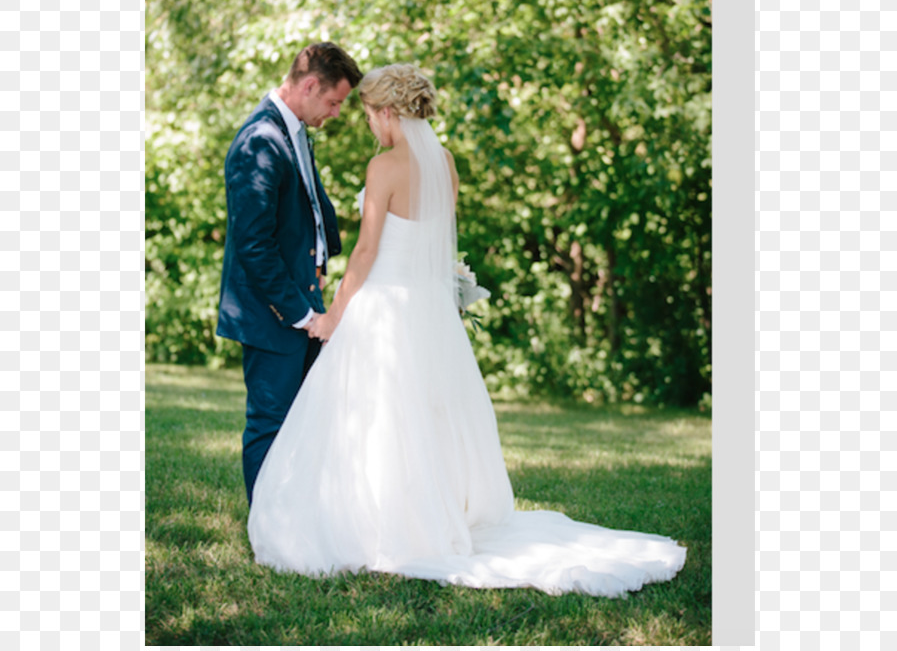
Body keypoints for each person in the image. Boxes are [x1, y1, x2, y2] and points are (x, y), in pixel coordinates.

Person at [247, 64, 687, 596]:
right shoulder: (445, 164)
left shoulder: (383, 166)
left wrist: (335, 314)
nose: (367, 125)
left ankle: (379, 523)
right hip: (428, 310)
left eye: (367, 114)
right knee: (425, 418)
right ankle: (429, 514)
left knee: (377, 417)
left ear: (386, 112)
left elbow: (365, 253)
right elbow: (439, 242)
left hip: (384, 308)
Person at [216, 42, 363, 505]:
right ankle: (266, 528)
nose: (336, 113)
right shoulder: (260, 139)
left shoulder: (295, 130)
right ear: (309, 85)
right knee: (270, 421)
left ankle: (296, 517)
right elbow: (254, 244)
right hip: (272, 311)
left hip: (304, 296)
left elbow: (304, 210)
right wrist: (301, 312)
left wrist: (320, 259)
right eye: (334, 102)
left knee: (308, 418)